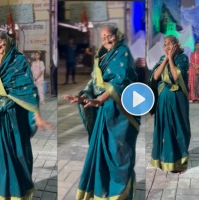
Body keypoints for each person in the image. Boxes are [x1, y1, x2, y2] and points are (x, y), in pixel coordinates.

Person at [62, 26, 140, 199]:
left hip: (120, 114)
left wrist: (100, 100)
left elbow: (120, 82)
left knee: (118, 154)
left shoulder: (123, 53)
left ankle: (120, 194)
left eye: (109, 36)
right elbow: (94, 84)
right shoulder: (102, 57)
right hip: (104, 112)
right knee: (102, 154)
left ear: (117, 36)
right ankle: (103, 192)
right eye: (103, 37)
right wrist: (82, 98)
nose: (106, 40)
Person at [0, 31, 51, 199]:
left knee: (18, 155)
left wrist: (37, 115)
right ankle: (1, 194)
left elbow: (28, 89)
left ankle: (18, 194)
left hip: (15, 117)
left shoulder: (19, 60)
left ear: (7, 40)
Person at [148, 35, 191, 173]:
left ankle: (179, 160)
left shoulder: (183, 58)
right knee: (164, 128)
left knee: (178, 128)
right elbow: (155, 76)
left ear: (176, 45)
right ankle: (165, 159)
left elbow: (176, 77)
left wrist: (171, 59)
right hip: (163, 100)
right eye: (165, 44)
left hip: (177, 100)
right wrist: (166, 59)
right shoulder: (162, 59)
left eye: (169, 44)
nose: (166, 47)